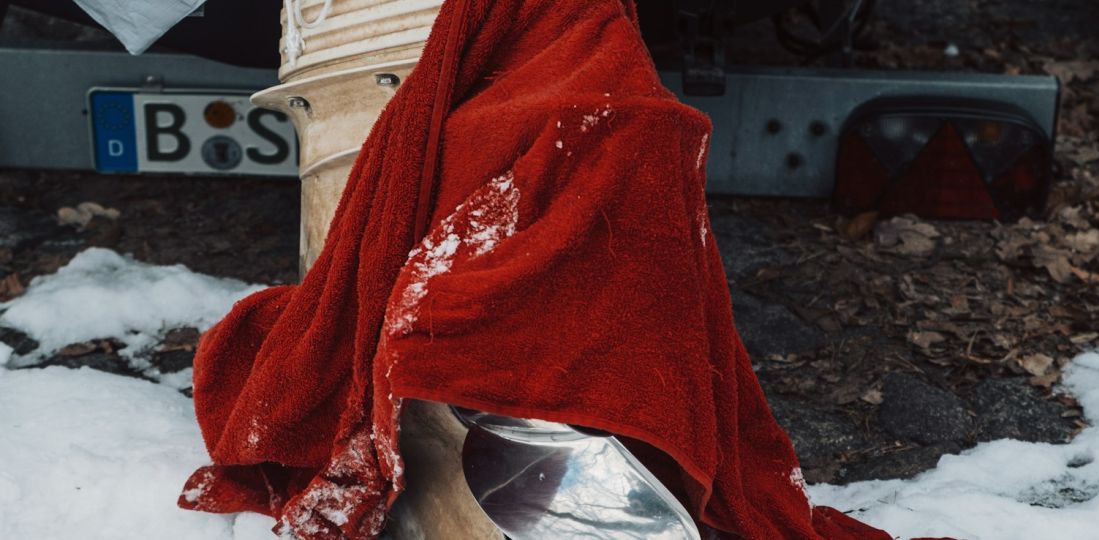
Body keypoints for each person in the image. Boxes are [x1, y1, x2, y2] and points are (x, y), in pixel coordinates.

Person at [178, 1, 912, 538]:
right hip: (360, 47)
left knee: (603, 114)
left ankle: (469, 387)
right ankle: (444, 386)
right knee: (591, 112)